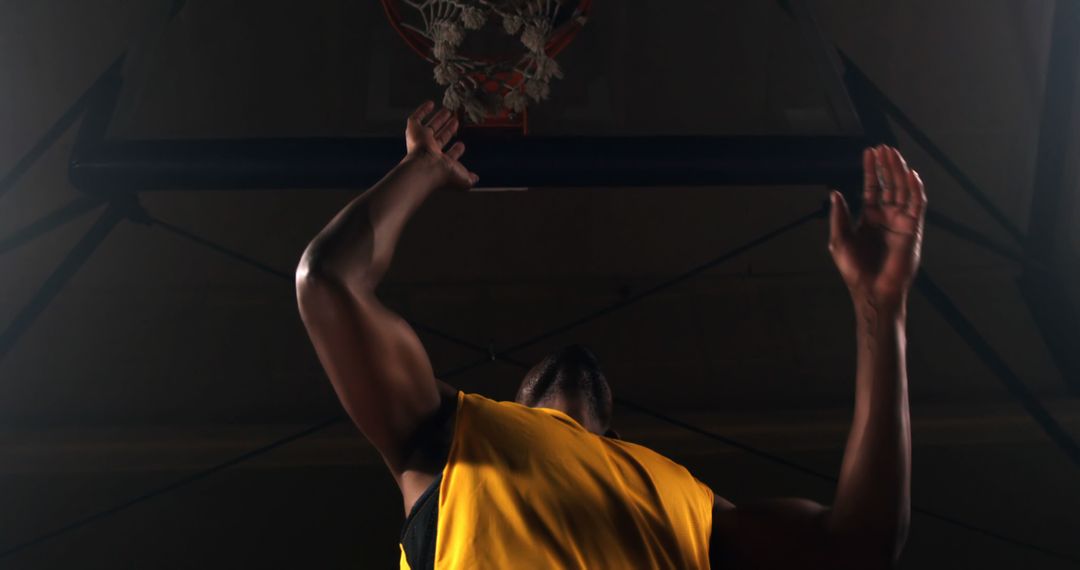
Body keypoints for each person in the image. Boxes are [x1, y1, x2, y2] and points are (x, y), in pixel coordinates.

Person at [295, 101, 919, 569]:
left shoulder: (691, 506)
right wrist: (420, 169)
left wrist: (881, 307)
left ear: (617, 441)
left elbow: (860, 548)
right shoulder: (453, 439)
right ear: (513, 414)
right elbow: (327, 282)